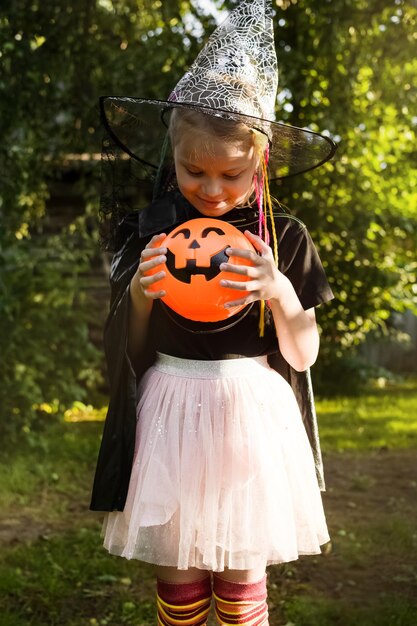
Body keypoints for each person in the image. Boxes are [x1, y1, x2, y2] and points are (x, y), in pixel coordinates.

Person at [91, 2, 337, 624]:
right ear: (171, 156)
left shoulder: (283, 237)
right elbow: (130, 352)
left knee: (241, 579)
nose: (212, 189)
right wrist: (143, 296)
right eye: (193, 170)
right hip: (170, 410)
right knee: (178, 578)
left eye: (233, 174)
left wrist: (280, 291)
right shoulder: (148, 230)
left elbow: (303, 355)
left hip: (249, 419)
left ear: (261, 163)